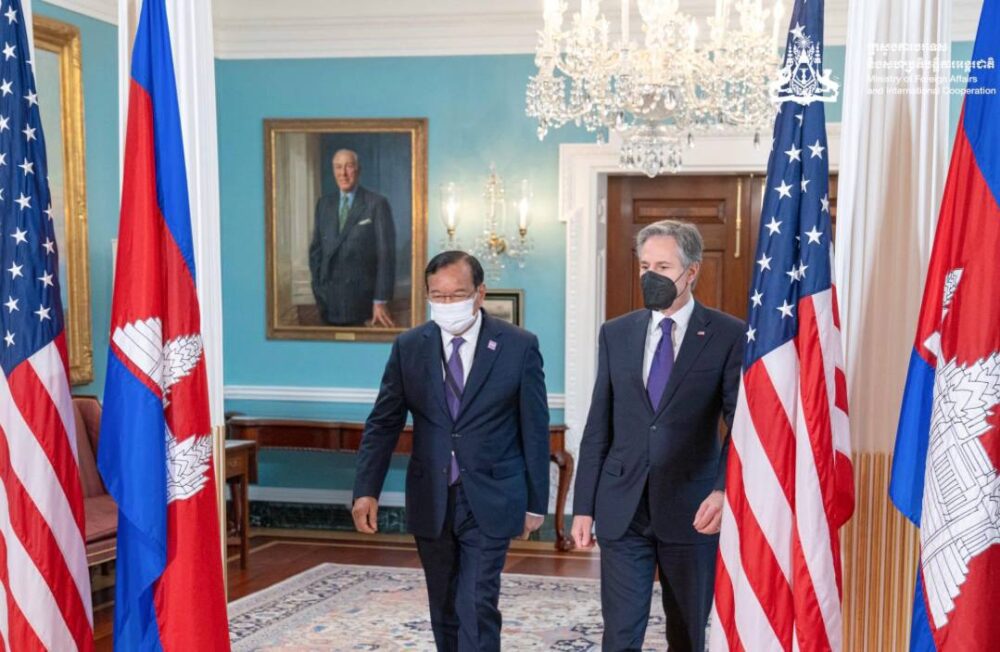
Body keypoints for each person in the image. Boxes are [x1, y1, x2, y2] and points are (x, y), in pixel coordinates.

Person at [352, 251, 550, 651]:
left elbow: (535, 428)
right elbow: (384, 422)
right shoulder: (409, 346)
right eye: (437, 296)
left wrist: (535, 503)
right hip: (432, 496)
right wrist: (365, 489)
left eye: (456, 294)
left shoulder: (518, 346)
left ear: (479, 294)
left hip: (492, 496)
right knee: (443, 605)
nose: (447, 304)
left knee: (476, 603)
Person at [571, 220, 744, 651]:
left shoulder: (727, 334)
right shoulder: (617, 332)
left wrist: (724, 490)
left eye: (663, 266)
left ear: (692, 272)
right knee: (621, 634)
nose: (651, 275)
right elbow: (598, 426)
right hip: (623, 506)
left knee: (686, 634)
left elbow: (740, 425)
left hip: (692, 509)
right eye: (644, 264)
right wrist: (583, 507)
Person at [308, 148, 396, 327]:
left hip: (363, 303)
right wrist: (318, 288)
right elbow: (316, 250)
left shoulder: (376, 203)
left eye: (349, 166)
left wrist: (380, 300)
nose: (343, 173)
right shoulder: (324, 204)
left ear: (358, 169)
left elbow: (386, 255)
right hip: (328, 302)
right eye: (338, 167)